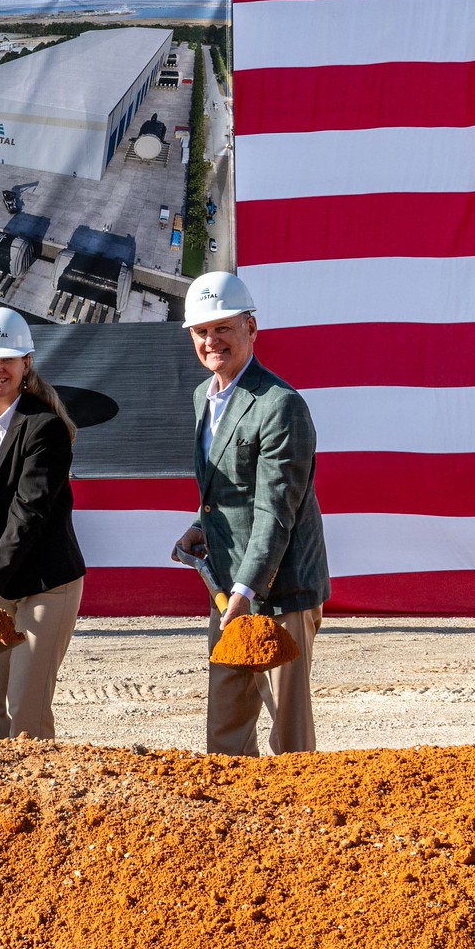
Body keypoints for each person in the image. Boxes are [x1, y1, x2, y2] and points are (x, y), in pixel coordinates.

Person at [172, 270, 331, 757]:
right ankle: (237, 824)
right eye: (202, 331)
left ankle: (305, 824)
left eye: (223, 327)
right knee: (226, 727)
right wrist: (204, 527)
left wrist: (246, 589)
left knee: (290, 733)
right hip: (228, 587)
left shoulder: (280, 405)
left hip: (281, 591)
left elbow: (277, 510)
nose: (211, 340)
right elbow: (232, 489)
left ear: (251, 328)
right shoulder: (206, 397)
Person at [0, 308, 87, 740]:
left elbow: (30, 514)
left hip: (47, 584)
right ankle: (9, 801)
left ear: (27, 362)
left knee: (27, 710)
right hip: (3, 580)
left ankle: (41, 802)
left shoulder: (45, 428)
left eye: (7, 358)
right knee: (3, 707)